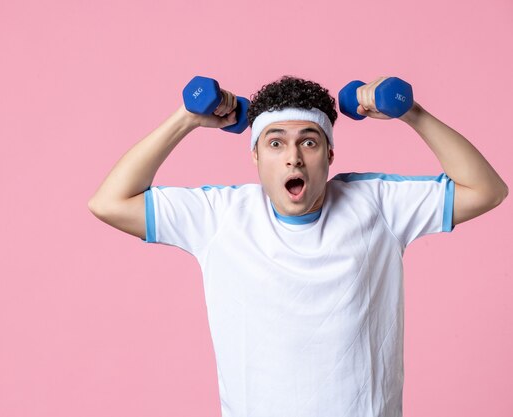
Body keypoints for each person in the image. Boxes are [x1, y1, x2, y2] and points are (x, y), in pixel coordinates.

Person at [88, 75, 508, 417]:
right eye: (275, 143)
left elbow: (486, 190)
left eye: (308, 141)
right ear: (255, 157)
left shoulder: (377, 204)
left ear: (329, 153)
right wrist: (186, 119)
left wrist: (412, 114)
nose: (294, 157)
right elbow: (109, 202)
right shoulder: (220, 216)